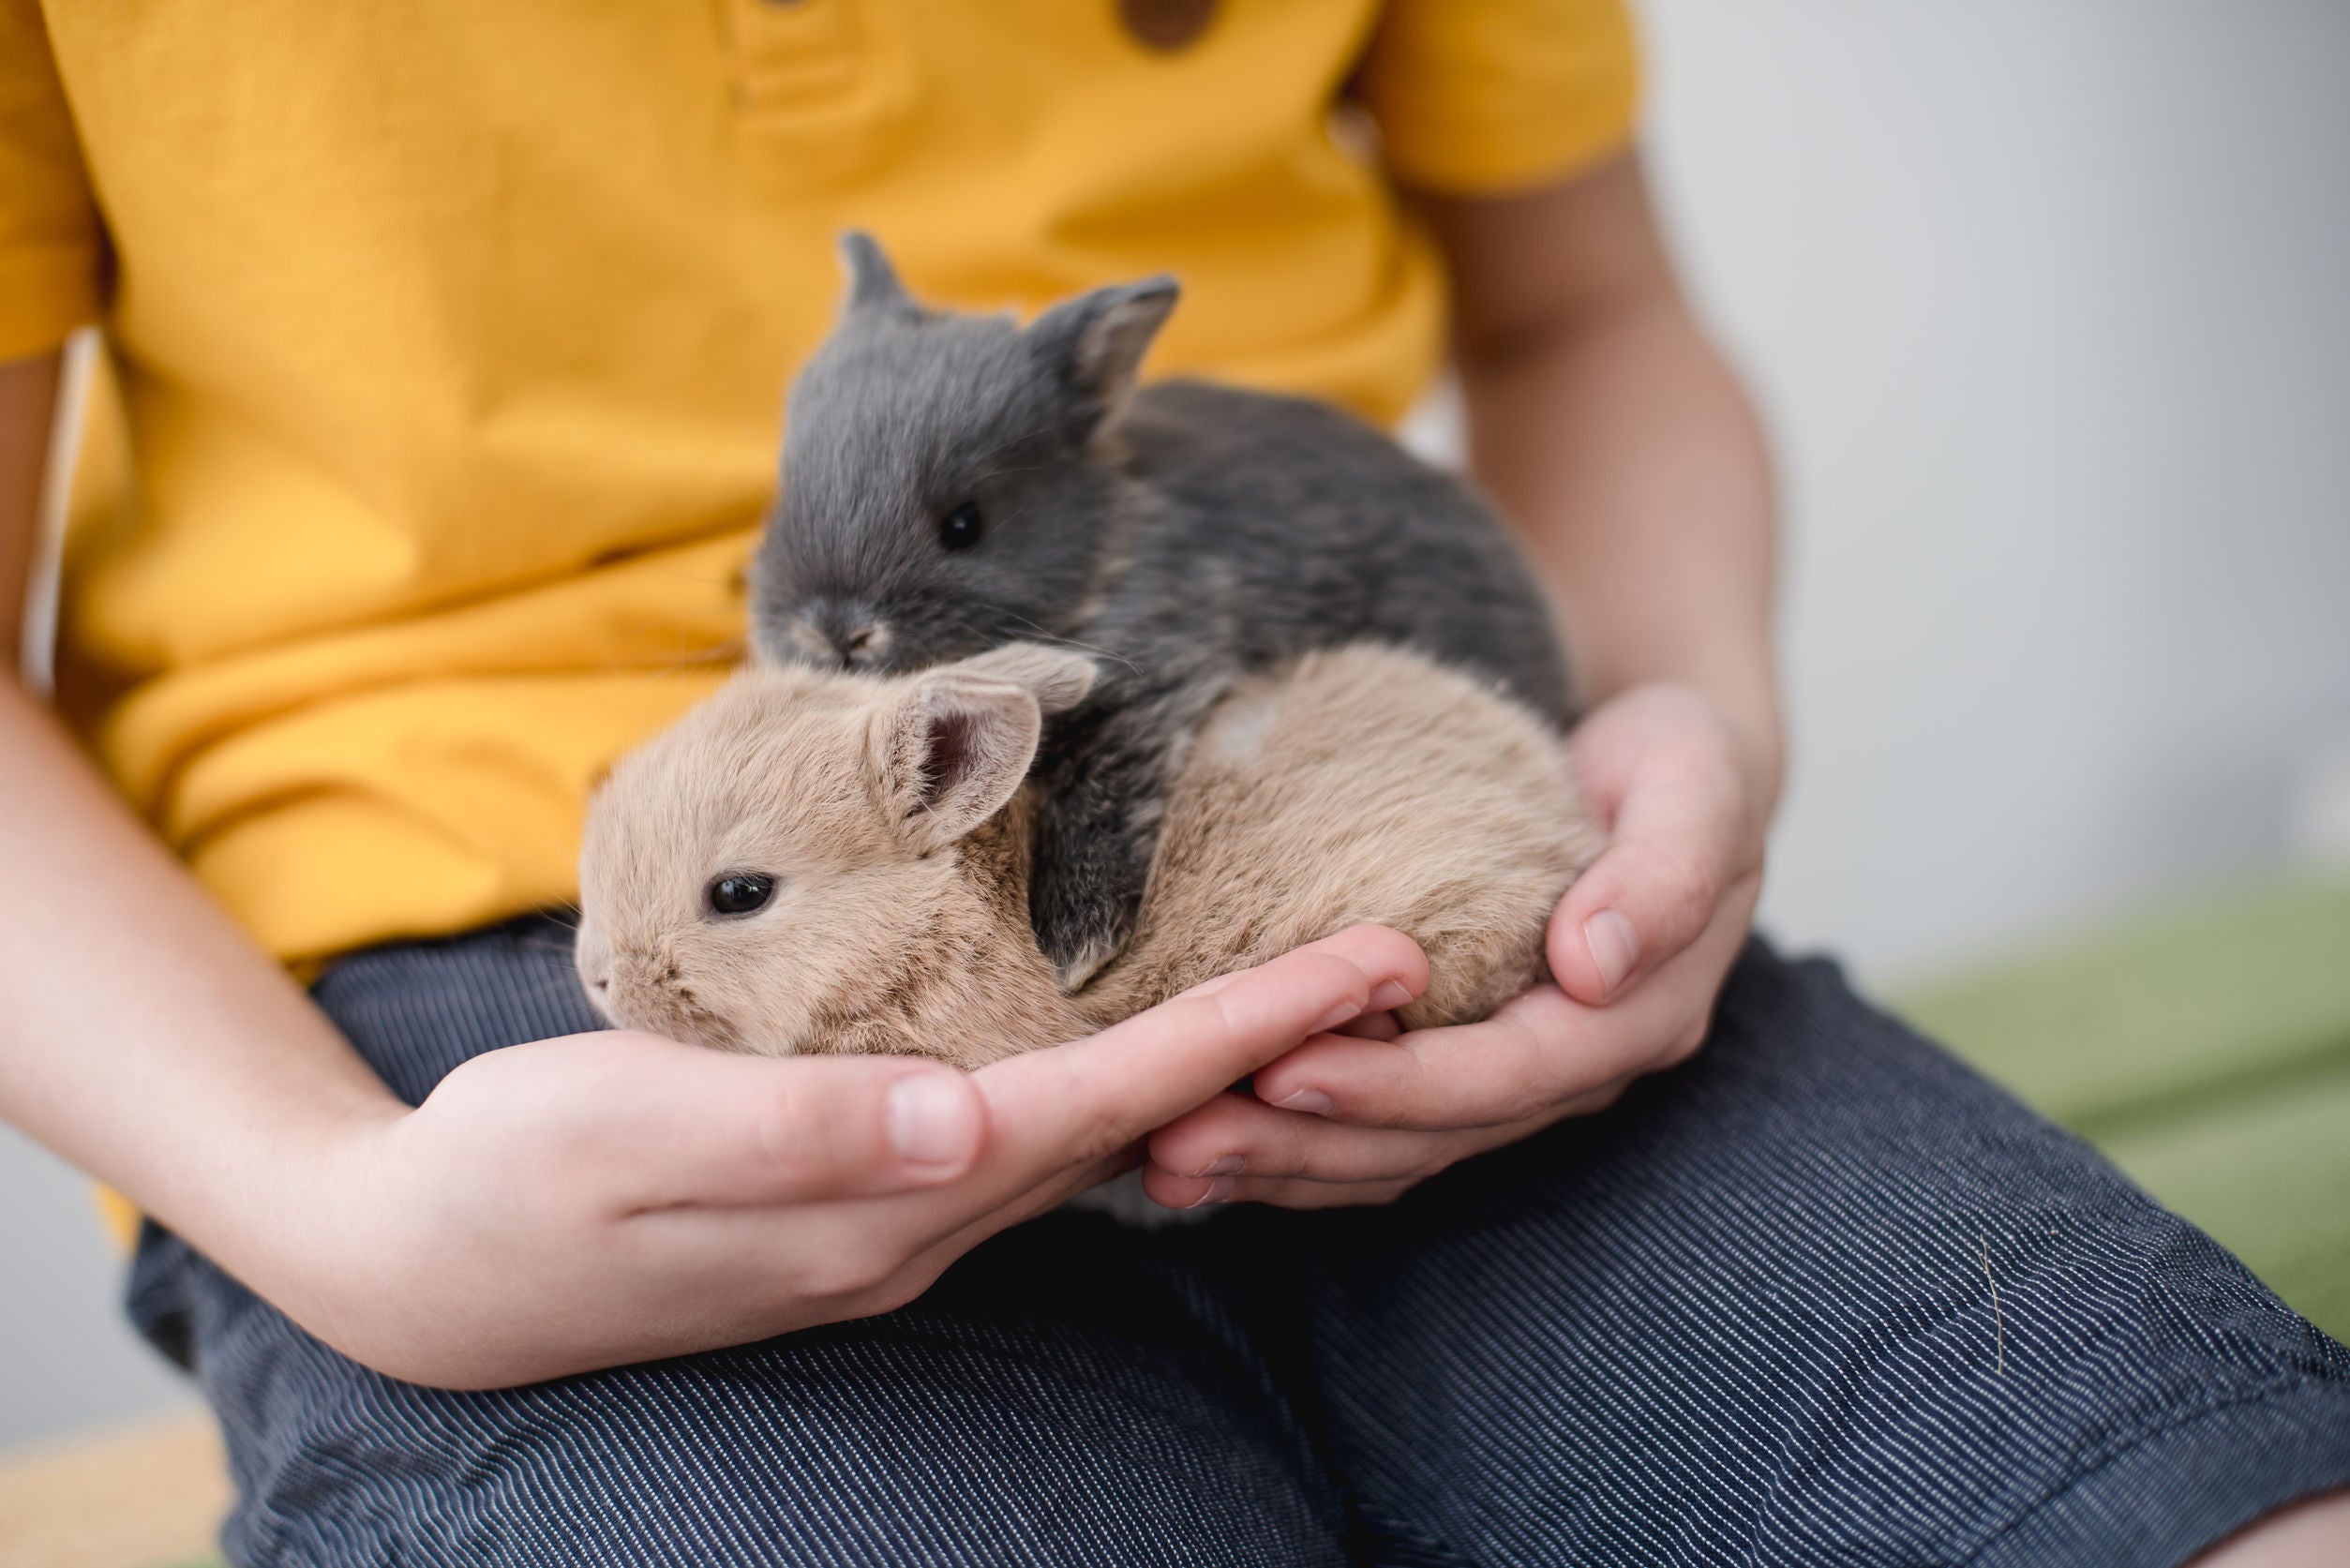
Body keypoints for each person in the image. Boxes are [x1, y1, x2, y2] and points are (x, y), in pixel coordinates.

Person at [1, 1, 2344, 1562]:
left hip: (1313, 790)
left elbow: (1583, 306)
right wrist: (340, 1216)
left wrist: (1683, 719)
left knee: (2159, 1482)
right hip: (458, 1030)